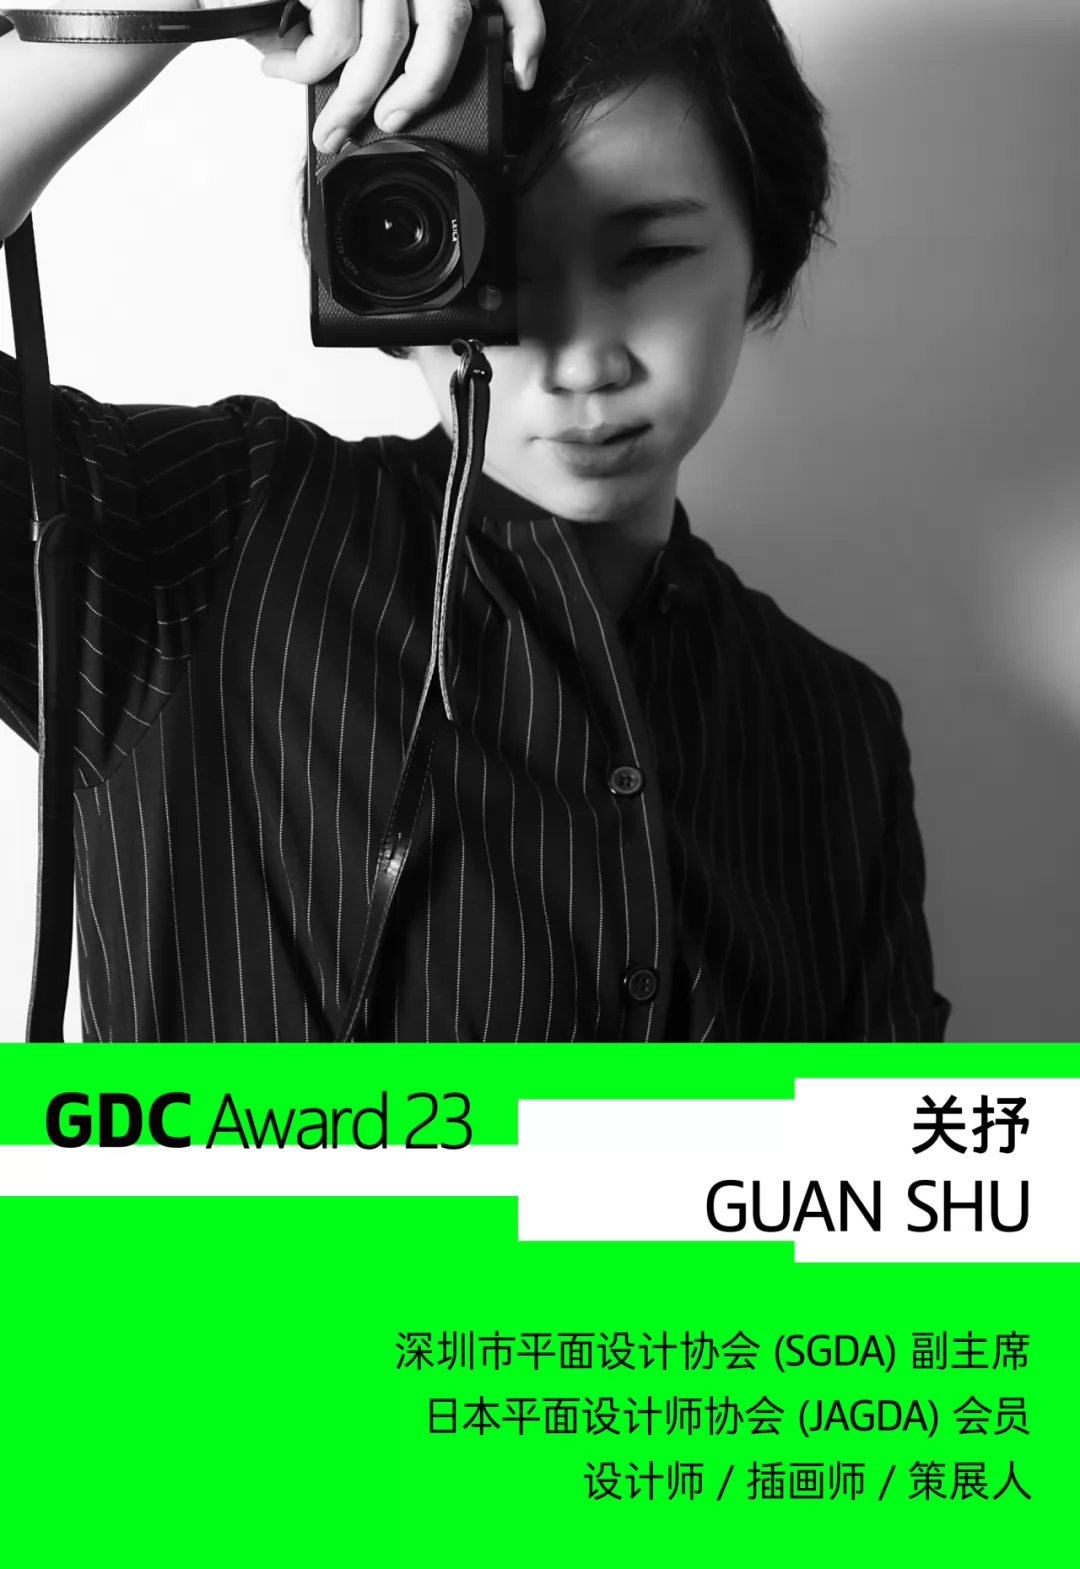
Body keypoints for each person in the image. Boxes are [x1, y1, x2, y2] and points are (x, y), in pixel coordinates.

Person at [0, 0, 951, 1043]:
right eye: (497, 270)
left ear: (762, 248)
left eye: (648, 257)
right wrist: (140, 12)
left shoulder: (837, 728)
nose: (584, 361)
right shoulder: (207, 536)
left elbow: (880, 1141)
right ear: (375, 272)